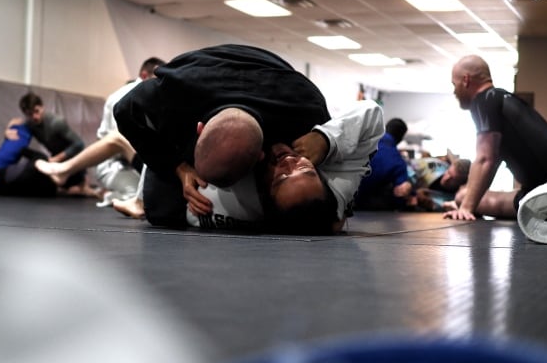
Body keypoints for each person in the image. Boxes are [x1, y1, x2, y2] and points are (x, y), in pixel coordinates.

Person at [113, 44, 332, 228]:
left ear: (259, 156)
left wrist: (325, 140)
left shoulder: (308, 111)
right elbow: (123, 110)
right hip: (195, 68)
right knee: (161, 205)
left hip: (274, 74)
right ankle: (140, 199)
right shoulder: (174, 93)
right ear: (199, 130)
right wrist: (178, 167)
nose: (288, 162)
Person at [188, 99, 384, 234]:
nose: (290, 162)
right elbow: (371, 113)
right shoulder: (338, 184)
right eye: (306, 171)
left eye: (281, 178)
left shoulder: (237, 202)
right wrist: (326, 140)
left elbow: (192, 213)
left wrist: (179, 167)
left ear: (264, 194)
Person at [444, 55, 547, 220]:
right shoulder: (504, 99)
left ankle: (459, 203)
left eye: (454, 84)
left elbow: (485, 159)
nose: (454, 91)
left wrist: (465, 207)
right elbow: (491, 163)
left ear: (466, 80)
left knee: (463, 195)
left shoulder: (484, 100)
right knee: (470, 195)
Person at [94, 57, 166, 205]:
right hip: (115, 165)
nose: (161, 83)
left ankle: (106, 193)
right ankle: (108, 195)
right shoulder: (122, 97)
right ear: (145, 76)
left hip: (137, 160)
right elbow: (121, 142)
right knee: (142, 196)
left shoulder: (154, 98)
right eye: (158, 78)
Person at [15, 91, 100, 198]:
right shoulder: (30, 124)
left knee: (77, 191)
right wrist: (8, 131)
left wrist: (56, 159)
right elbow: (16, 123)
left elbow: (79, 144)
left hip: (73, 165)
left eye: (36, 111)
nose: (35, 117)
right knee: (24, 151)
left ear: (42, 107)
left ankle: (84, 185)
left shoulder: (56, 123)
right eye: (30, 114)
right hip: (57, 166)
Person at [0, 119, 58, 197]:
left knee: (40, 165)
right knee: (39, 158)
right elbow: (16, 121)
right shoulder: (23, 132)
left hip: (1, 183)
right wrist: (7, 130)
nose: (35, 116)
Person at [353, 117, 413, 211]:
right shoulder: (398, 161)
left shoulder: (361, 140)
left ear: (385, 128)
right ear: (401, 138)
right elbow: (401, 191)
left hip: (341, 200)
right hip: (368, 210)